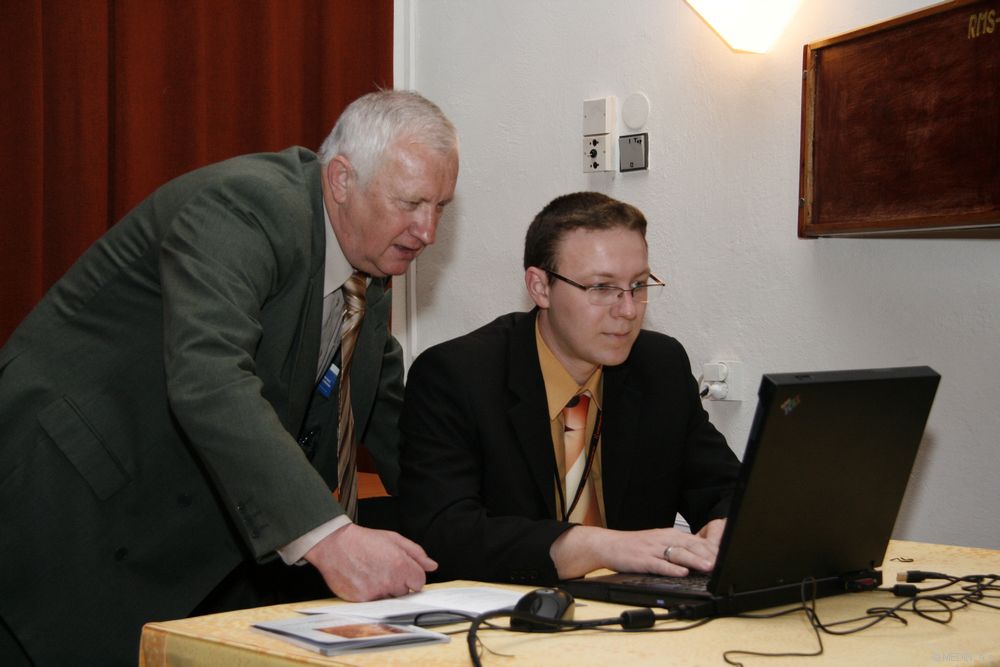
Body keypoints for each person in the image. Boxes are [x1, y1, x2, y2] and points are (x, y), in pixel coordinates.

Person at [0, 90, 459, 666]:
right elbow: (210, 378)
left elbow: (390, 418)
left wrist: (502, 530)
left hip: (176, 538)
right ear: (341, 179)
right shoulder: (246, 207)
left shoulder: (367, 271)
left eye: (441, 206)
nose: (428, 231)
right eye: (412, 203)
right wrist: (333, 538)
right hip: (64, 501)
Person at [398, 191, 740, 586]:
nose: (628, 310)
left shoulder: (659, 366)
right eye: (601, 288)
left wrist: (727, 524)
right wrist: (596, 547)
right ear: (540, 287)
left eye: (638, 285)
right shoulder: (457, 376)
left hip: (638, 612)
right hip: (513, 610)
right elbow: (444, 534)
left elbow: (726, 487)